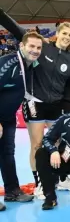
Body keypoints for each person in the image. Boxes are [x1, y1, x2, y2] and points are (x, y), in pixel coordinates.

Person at [0, 9, 70, 197]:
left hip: (56, 105)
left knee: (58, 143)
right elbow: (18, 30)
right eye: (64, 33)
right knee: (37, 145)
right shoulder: (42, 47)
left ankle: (58, 179)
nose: (67, 37)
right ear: (57, 34)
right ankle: (39, 184)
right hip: (34, 102)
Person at [0, 32, 44, 211]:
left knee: (7, 154)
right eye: (31, 46)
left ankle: (12, 191)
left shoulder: (30, 65)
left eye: (38, 47)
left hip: (8, 117)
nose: (35, 50)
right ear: (21, 46)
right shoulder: (8, 62)